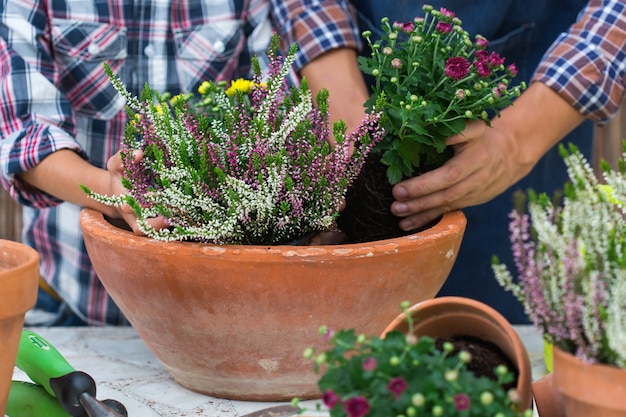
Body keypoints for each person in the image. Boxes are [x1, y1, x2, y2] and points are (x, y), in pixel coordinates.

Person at [272, 0, 617, 323]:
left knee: (502, 337)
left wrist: (516, 140)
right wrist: (340, 102)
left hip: (533, 92)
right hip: (361, 60)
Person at [0, 0, 297, 326]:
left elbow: (273, 107)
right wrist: (112, 193)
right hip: (73, 300)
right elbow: (25, 138)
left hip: (216, 308)